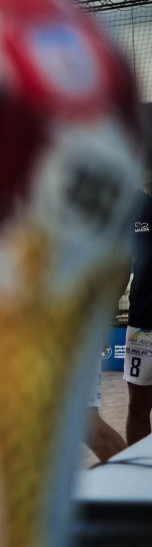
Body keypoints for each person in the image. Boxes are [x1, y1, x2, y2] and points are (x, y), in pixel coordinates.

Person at [126, 180, 152, 444]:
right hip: (142, 326)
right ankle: (140, 480)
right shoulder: (134, 204)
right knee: (138, 408)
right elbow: (122, 263)